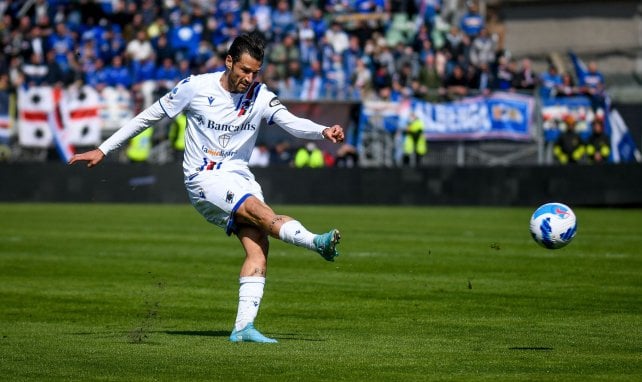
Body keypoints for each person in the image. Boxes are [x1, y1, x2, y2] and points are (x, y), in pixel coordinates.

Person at [69, 33, 345, 343]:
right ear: (229, 62)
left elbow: (291, 122)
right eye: (244, 70)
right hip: (204, 179)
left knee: (258, 246)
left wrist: (323, 130)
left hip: (239, 177)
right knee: (259, 212)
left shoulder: (260, 95)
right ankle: (316, 242)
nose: (249, 78)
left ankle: (243, 328)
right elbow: (150, 116)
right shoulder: (195, 88)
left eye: (255, 72)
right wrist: (104, 149)